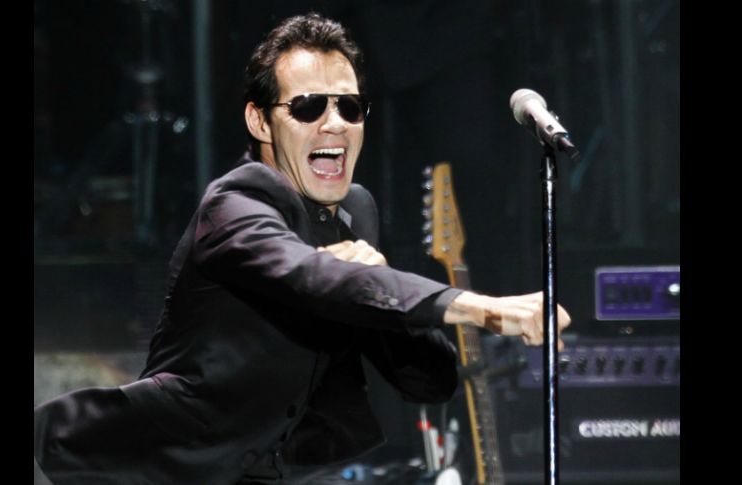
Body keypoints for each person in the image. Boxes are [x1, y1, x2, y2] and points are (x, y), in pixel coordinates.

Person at [34, 13, 571, 485]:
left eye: (350, 107)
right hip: (153, 468)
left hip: (280, 471)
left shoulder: (355, 212)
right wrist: (482, 307)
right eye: (309, 106)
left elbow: (429, 381)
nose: (334, 123)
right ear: (260, 121)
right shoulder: (234, 205)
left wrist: (378, 284)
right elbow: (309, 276)